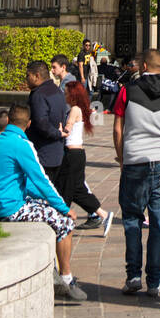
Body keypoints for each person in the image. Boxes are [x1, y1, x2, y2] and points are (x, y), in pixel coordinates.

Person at [0, 101, 86, 301]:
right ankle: (66, 278)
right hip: (11, 208)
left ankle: (55, 272)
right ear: (29, 124)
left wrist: (46, 202)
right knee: (65, 223)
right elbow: (41, 179)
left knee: (46, 208)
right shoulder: (21, 144)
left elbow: (23, 182)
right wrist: (64, 208)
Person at [112, 47, 160, 297]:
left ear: (143, 66)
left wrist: (122, 157)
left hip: (134, 161)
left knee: (132, 219)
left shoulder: (127, 91)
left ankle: (133, 276)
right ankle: (154, 281)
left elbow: (118, 129)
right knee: (158, 222)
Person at [58, 79, 114, 232]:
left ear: (73, 95)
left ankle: (62, 218)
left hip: (72, 154)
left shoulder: (75, 109)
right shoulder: (79, 108)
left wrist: (58, 130)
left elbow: (67, 129)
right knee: (76, 188)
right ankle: (102, 214)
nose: (64, 95)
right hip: (77, 154)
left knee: (68, 187)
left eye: (66, 92)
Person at [25, 60, 68, 188]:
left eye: (28, 76)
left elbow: (41, 123)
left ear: (37, 76)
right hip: (56, 153)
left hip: (43, 153)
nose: (26, 79)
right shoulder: (56, 90)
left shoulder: (39, 94)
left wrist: (57, 133)